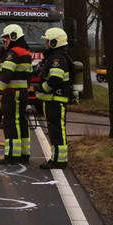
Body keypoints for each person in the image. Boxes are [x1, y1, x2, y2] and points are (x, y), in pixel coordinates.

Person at [0, 24, 33, 164]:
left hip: (12, 94)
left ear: (13, 37)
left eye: (6, 39)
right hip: (21, 93)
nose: (4, 43)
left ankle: (12, 156)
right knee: (21, 122)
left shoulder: (13, 53)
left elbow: (6, 75)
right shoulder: (26, 52)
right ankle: (24, 153)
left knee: (11, 123)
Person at [36, 27, 73, 169]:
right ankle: (56, 158)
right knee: (54, 130)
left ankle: (59, 160)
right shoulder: (55, 57)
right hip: (53, 100)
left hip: (56, 100)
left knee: (57, 130)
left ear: (54, 43)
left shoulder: (57, 58)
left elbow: (55, 80)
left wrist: (41, 88)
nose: (45, 44)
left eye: (47, 41)